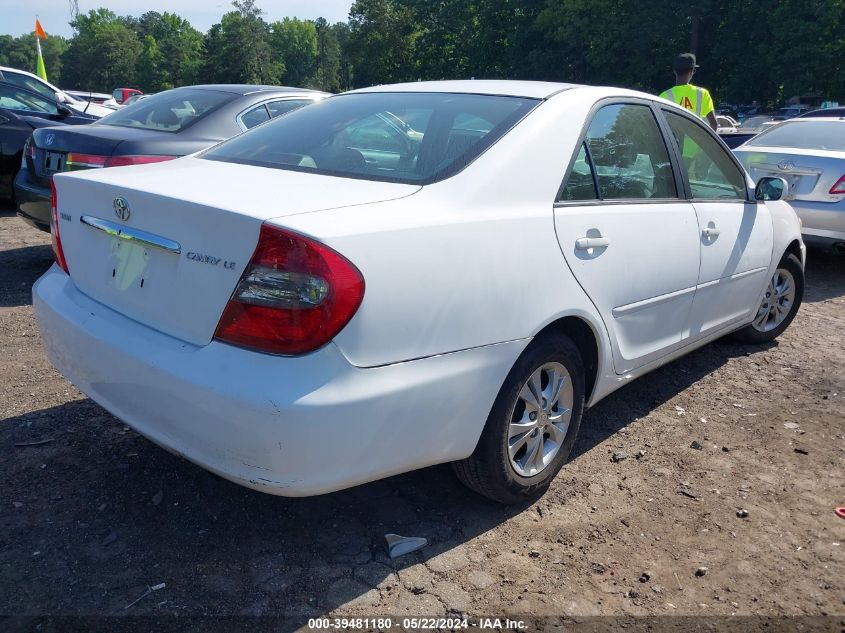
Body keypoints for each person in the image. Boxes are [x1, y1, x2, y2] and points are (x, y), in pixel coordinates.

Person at [660, 53, 718, 131]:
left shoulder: (664, 96)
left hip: (673, 143)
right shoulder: (702, 94)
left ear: (674, 71)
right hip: (697, 142)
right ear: (692, 71)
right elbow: (714, 124)